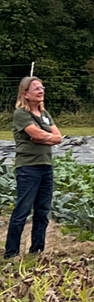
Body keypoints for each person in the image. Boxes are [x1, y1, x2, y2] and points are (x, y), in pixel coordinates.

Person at [4, 76, 63, 260]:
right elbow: (34, 133)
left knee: (43, 211)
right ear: (25, 94)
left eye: (42, 87)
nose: (41, 91)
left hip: (46, 166)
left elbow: (58, 137)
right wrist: (46, 136)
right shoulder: (21, 114)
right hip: (28, 167)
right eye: (36, 88)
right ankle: (11, 252)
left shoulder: (45, 114)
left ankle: (36, 251)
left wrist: (43, 138)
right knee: (22, 209)